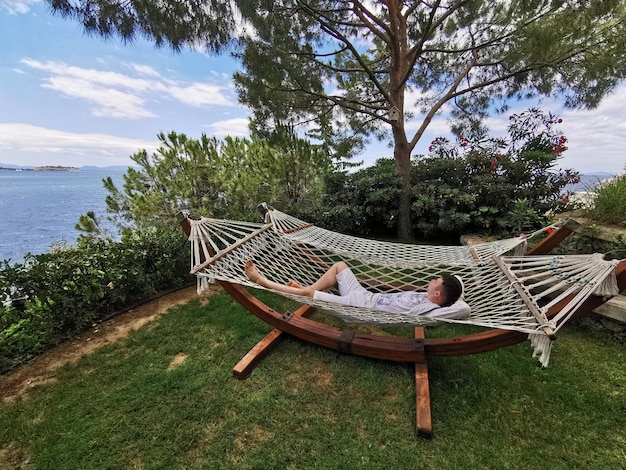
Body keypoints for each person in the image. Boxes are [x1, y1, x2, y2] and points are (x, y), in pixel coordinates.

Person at [244, 260, 465, 317]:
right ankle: (309, 289)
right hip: (365, 296)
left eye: (436, 281)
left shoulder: (426, 310)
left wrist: (458, 301)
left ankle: (261, 281)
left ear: (437, 294)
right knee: (339, 266)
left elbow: (462, 310)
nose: (433, 280)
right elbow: (456, 294)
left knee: (308, 296)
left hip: (358, 308)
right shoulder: (426, 296)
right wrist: (457, 293)